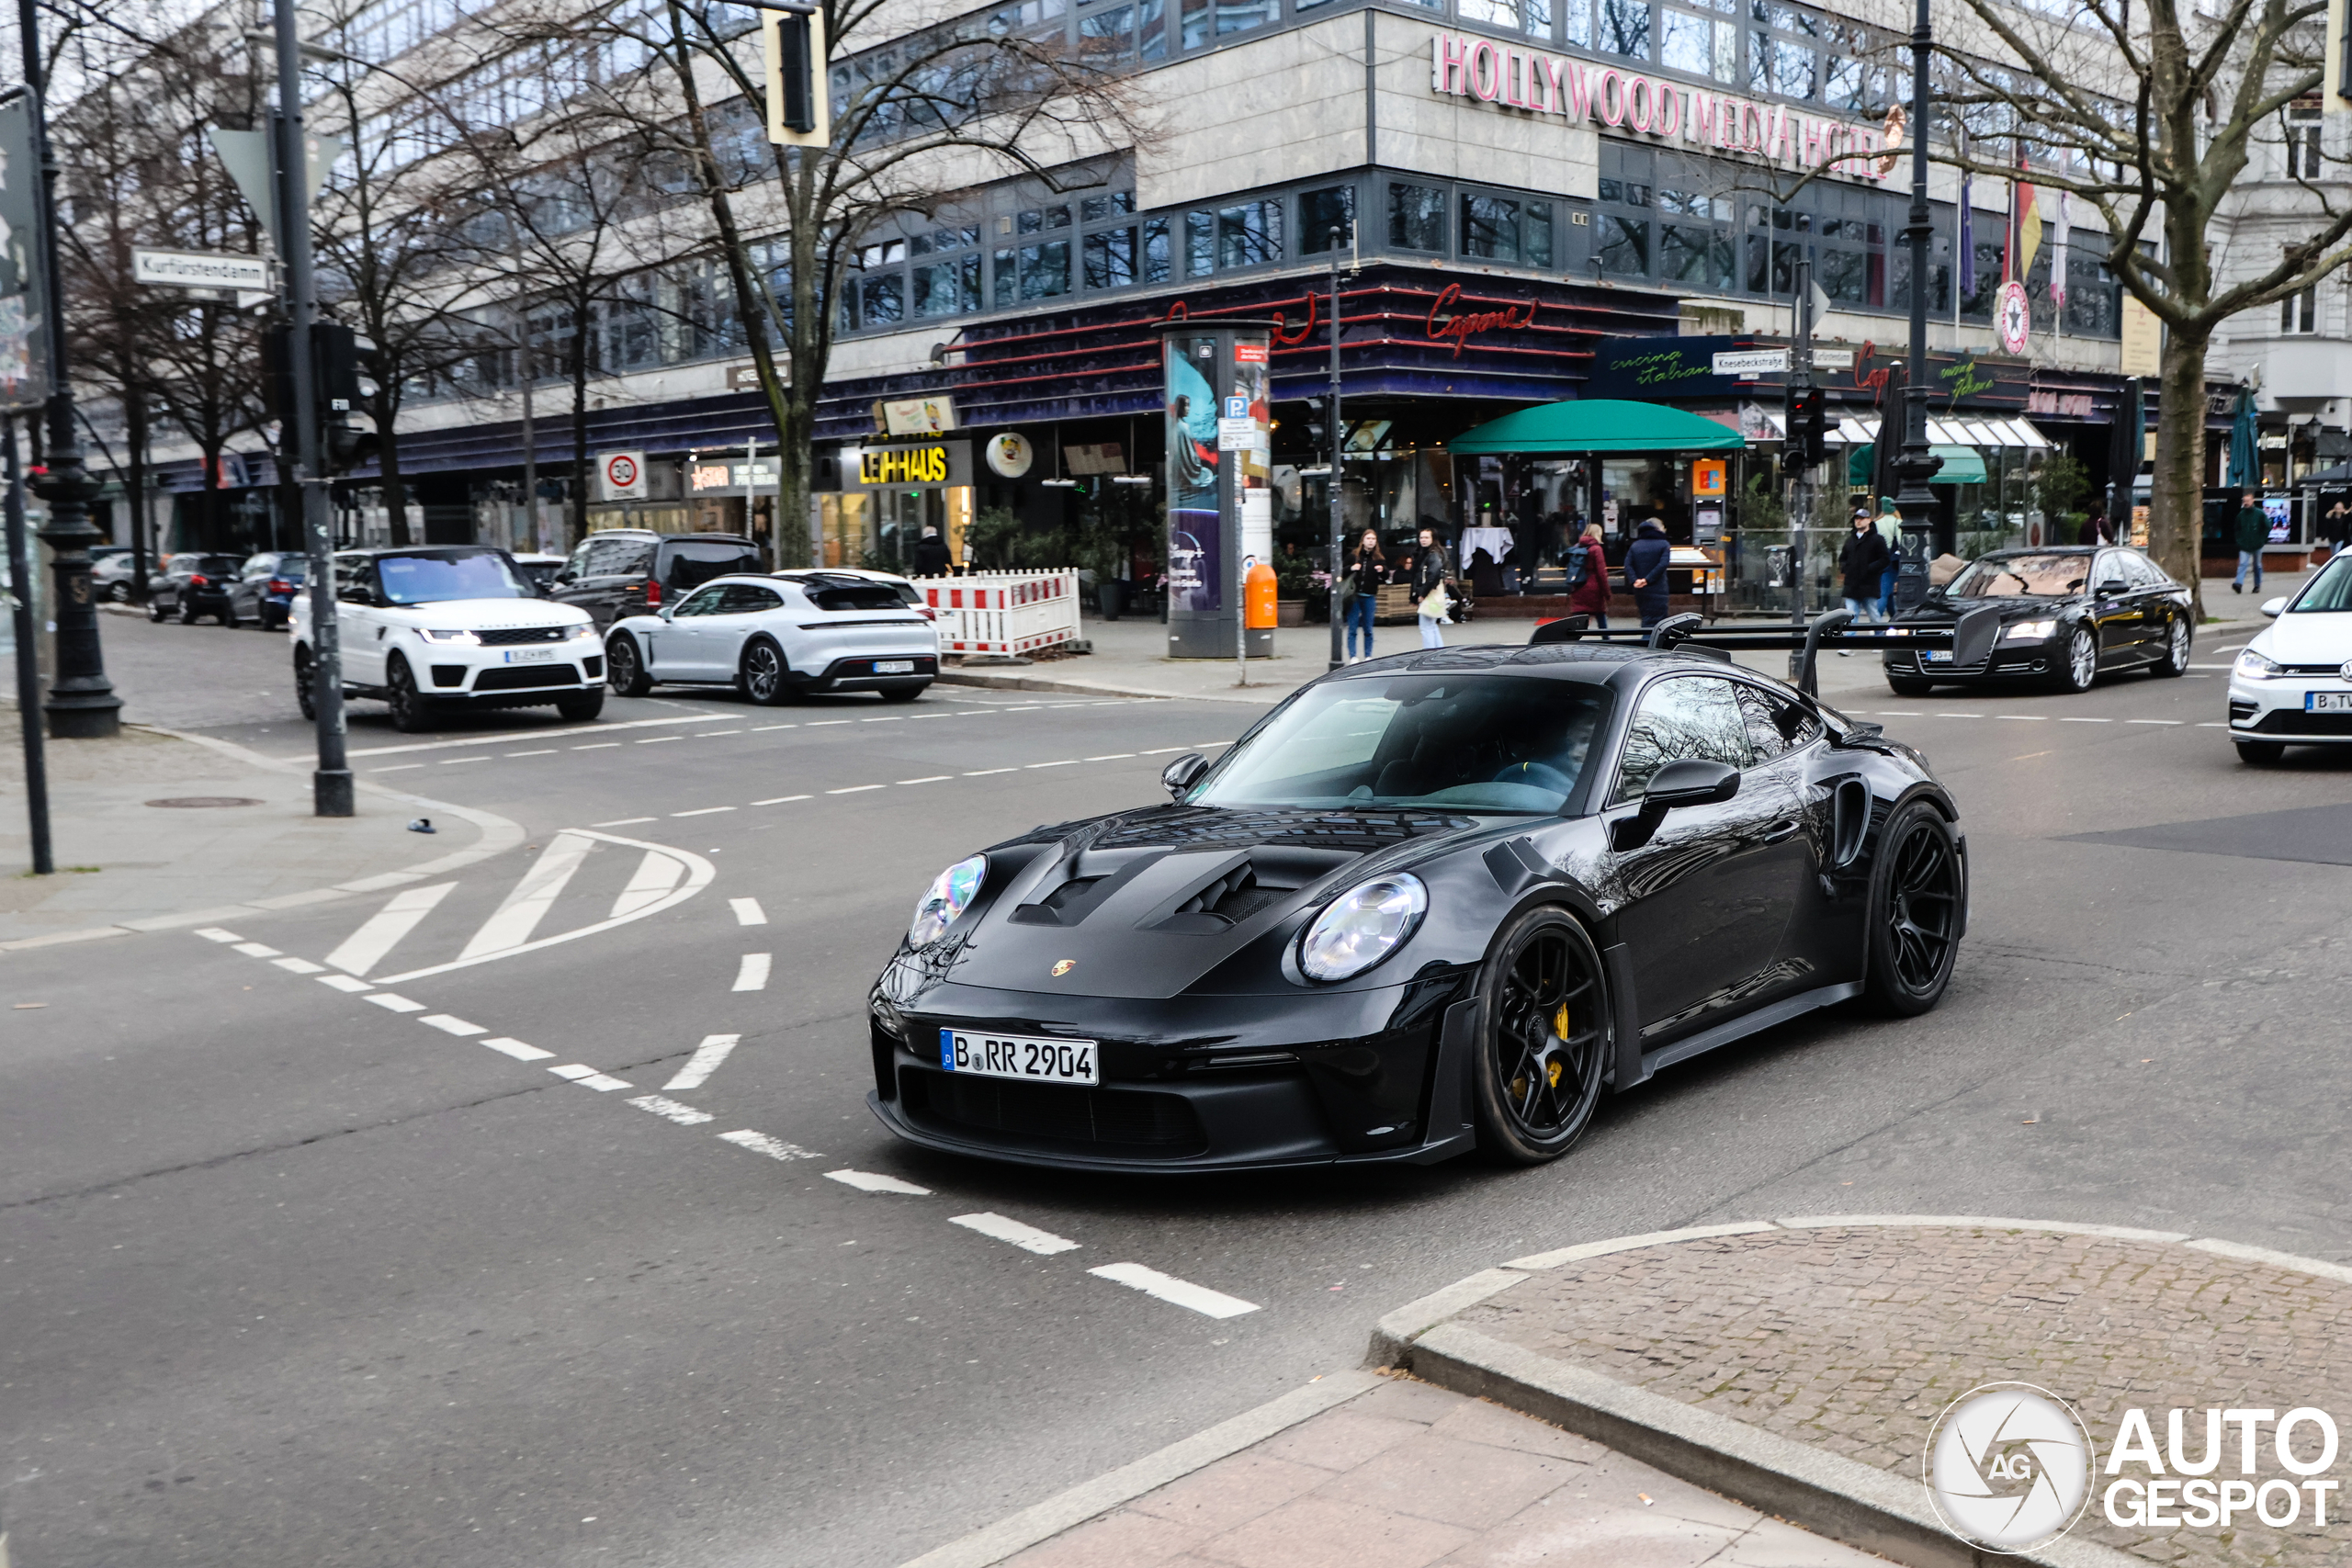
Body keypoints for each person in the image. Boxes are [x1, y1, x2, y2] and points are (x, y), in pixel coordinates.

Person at [1840, 507, 1893, 624]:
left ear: (1869, 520)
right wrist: (1847, 569)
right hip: (1851, 586)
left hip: (1869, 585)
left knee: (1874, 616)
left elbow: (1884, 559)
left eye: (1862, 518)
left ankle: (1881, 638)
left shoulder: (1877, 539)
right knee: (1851, 617)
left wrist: (1869, 569)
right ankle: (1850, 640)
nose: (1858, 521)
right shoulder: (1850, 540)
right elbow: (1843, 558)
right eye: (1856, 519)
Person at [1342, 527, 1385, 660]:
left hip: (1369, 597)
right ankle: (1353, 656)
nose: (1371, 542)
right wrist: (1351, 568)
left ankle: (1368, 656)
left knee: (1368, 628)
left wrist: (1382, 570)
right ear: (1363, 541)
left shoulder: (1378, 558)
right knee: (1352, 628)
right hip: (1354, 596)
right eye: (1368, 539)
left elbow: (1386, 575)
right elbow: (1341, 572)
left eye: (1373, 539)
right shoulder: (1353, 556)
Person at [1623, 517, 1671, 627]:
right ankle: (1648, 644)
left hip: (1640, 590)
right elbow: (1663, 564)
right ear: (1658, 529)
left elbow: (1628, 564)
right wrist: (1647, 580)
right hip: (1658, 589)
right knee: (1657, 623)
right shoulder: (1664, 544)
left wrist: (1635, 580)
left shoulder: (1635, 545)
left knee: (1646, 618)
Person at [1412, 526, 1454, 648]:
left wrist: (1422, 594)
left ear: (1433, 539)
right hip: (1434, 593)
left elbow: (1432, 576)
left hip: (1430, 594)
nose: (1423, 540)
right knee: (1431, 625)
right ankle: (1438, 652)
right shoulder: (1434, 553)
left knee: (1426, 627)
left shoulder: (1432, 554)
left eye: (1426, 537)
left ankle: (1429, 653)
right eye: (1421, 537)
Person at [1566, 522, 1610, 628]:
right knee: (1600, 614)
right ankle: (1606, 639)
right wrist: (1607, 593)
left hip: (1578, 586)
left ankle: (1575, 639)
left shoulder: (1577, 547)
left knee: (1578, 616)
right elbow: (1601, 573)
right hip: (1594, 589)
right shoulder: (1596, 549)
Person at [2233, 491, 2267, 594]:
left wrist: (2262, 540)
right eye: (2244, 501)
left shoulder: (2259, 514)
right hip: (2244, 544)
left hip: (2257, 544)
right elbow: (2237, 529)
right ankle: (2238, 583)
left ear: (2253, 501)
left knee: (2257, 565)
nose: (2246, 503)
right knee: (2243, 563)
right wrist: (2239, 540)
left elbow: (2267, 526)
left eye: (2248, 501)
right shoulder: (2241, 515)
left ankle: (2257, 585)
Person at [1873, 496, 1902, 617]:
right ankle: (1877, 618)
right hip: (1891, 561)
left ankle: (1894, 616)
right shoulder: (1898, 522)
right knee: (1885, 592)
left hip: (1878, 558)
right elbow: (1901, 543)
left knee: (1887, 590)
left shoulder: (1876, 523)